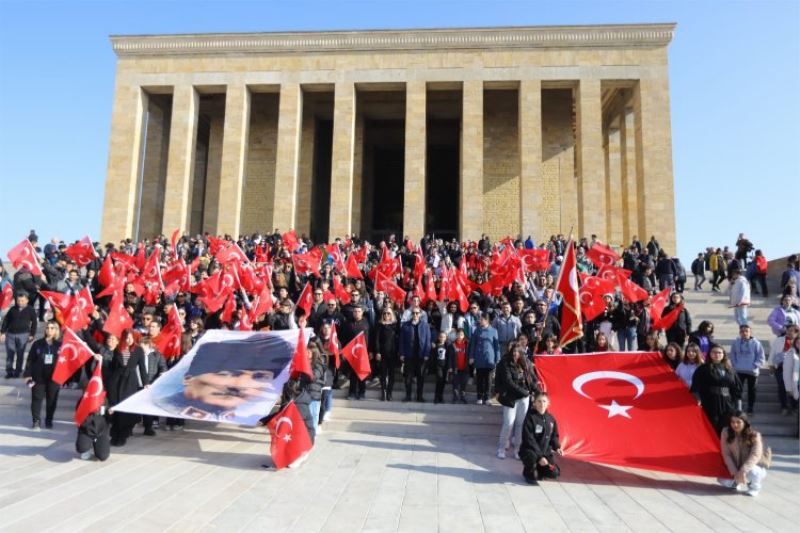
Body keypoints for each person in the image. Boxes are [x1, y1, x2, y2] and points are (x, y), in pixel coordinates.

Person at [107, 329, 149, 447]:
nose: (128, 340)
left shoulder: (138, 350)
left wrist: (146, 382)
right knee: (115, 405)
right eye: (126, 337)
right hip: (116, 380)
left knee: (125, 406)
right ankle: (114, 433)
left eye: (131, 337)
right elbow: (113, 366)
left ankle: (123, 434)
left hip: (130, 381)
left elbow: (142, 368)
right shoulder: (118, 349)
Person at [495, 346, 537, 459]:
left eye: (517, 352)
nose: (515, 354)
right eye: (513, 352)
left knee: (520, 425)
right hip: (510, 399)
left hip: (524, 399)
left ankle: (517, 450)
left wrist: (537, 391)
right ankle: (501, 449)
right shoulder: (505, 364)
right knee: (508, 424)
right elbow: (509, 383)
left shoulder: (524, 364)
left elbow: (530, 380)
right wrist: (525, 392)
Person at [691, 345, 743, 435]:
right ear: (710, 354)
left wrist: (738, 408)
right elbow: (696, 387)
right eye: (714, 352)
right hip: (710, 402)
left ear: (723, 354)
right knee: (712, 427)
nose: (717, 354)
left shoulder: (730, 370)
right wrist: (698, 400)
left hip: (728, 404)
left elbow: (736, 390)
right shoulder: (703, 369)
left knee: (726, 428)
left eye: (719, 352)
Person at [719, 411, 768, 497]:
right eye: (733, 422)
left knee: (754, 473)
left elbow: (755, 455)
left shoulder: (754, 435)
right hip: (735, 466)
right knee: (722, 480)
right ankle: (736, 482)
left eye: (738, 422)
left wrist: (742, 471)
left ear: (745, 423)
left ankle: (754, 487)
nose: (735, 425)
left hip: (751, 466)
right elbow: (726, 454)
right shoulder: (725, 432)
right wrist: (734, 472)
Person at [23, 320, 62, 429]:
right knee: (36, 399)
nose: (49, 330)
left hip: (54, 378)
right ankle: (36, 421)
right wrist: (27, 374)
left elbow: (65, 362)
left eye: (52, 328)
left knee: (52, 400)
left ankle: (49, 420)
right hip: (38, 377)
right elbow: (30, 360)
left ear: (56, 330)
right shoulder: (37, 344)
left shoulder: (60, 345)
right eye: (47, 327)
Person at [519, 392, 562, 485]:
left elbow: (554, 436)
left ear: (548, 403)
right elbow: (529, 439)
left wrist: (557, 447)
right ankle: (528, 473)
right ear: (534, 403)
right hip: (530, 451)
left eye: (544, 401)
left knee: (554, 473)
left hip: (545, 452)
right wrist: (540, 457)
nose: (542, 404)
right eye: (539, 401)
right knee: (531, 457)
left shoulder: (551, 419)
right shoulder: (530, 418)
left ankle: (540, 470)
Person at [76, 354, 111, 461]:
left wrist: (110, 412)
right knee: (81, 447)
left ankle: (98, 446)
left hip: (101, 431)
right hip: (87, 430)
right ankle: (86, 447)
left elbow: (108, 420)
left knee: (103, 456)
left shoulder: (105, 400)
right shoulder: (82, 401)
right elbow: (80, 419)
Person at [729, 324, 766, 415]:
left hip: (752, 371)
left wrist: (755, 365)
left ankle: (750, 407)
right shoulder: (736, 342)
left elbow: (761, 357)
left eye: (746, 331)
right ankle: (738, 408)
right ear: (739, 332)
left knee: (752, 390)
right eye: (742, 331)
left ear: (750, 332)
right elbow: (732, 354)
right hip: (739, 370)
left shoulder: (756, 343)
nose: (744, 333)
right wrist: (735, 364)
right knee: (738, 390)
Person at [1, 292, 38, 378]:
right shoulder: (12, 309)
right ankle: (9, 371)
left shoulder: (30, 310)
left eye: (22, 300)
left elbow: (34, 323)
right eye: (18, 300)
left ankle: (17, 372)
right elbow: (6, 321)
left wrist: (32, 334)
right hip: (10, 335)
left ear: (27, 301)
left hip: (23, 335)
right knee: (10, 354)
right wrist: (2, 332)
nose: (20, 302)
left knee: (20, 354)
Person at [399, 306, 431, 402]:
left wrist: (426, 353)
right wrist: (402, 353)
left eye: (417, 313)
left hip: (421, 356)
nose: (415, 315)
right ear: (411, 314)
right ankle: (408, 396)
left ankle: (419, 397)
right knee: (408, 377)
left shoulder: (425, 325)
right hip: (409, 355)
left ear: (420, 314)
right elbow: (401, 340)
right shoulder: (405, 325)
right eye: (413, 313)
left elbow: (428, 341)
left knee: (420, 378)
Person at [468, 312, 500, 405]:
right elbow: (473, 344)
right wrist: (471, 357)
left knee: (488, 380)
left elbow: (496, 345)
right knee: (479, 379)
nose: (480, 321)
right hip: (479, 357)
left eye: (481, 319)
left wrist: (497, 357)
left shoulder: (494, 331)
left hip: (490, 358)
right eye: (480, 319)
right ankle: (479, 397)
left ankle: (487, 397)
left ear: (487, 320)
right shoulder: (477, 330)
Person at [139, 335, 167, 436]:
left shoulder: (157, 355)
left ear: (148, 345)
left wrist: (157, 381)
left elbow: (163, 368)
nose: (140, 348)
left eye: (142, 345)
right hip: (138, 383)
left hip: (151, 384)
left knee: (148, 407)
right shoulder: (137, 354)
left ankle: (148, 427)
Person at [769, 324, 799, 415]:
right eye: (788, 330)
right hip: (781, 367)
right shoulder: (779, 340)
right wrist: (771, 365)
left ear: (797, 332)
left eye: (792, 331)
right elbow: (773, 352)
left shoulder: (798, 342)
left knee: (794, 387)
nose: (789, 332)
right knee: (782, 386)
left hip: (795, 368)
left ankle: (794, 406)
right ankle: (784, 406)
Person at [373, 308, 399, 401]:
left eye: (388, 313)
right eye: (385, 313)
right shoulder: (380, 325)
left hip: (392, 353)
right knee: (383, 374)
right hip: (382, 353)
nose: (386, 315)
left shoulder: (395, 325)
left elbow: (398, 339)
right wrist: (378, 351)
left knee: (392, 375)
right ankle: (383, 393)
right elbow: (376, 340)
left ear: (392, 314)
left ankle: (389, 393)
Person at [430, 331, 454, 404]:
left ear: (446, 338)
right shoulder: (436, 345)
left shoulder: (448, 346)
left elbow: (450, 356)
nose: (442, 338)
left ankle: (441, 396)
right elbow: (433, 356)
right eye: (441, 337)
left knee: (443, 382)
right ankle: (436, 397)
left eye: (443, 337)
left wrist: (450, 367)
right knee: (439, 380)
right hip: (438, 366)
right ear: (438, 337)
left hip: (445, 366)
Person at [449, 328, 469, 403]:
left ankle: (463, 397)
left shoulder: (467, 344)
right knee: (455, 383)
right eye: (458, 334)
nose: (459, 336)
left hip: (464, 367)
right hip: (455, 368)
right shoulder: (452, 345)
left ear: (464, 335)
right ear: (456, 335)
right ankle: (455, 397)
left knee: (463, 383)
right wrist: (450, 367)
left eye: (461, 334)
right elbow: (450, 357)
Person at [783, 337, 800, 414]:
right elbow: (787, 372)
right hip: (797, 384)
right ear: (795, 344)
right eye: (798, 343)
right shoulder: (790, 354)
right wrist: (789, 388)